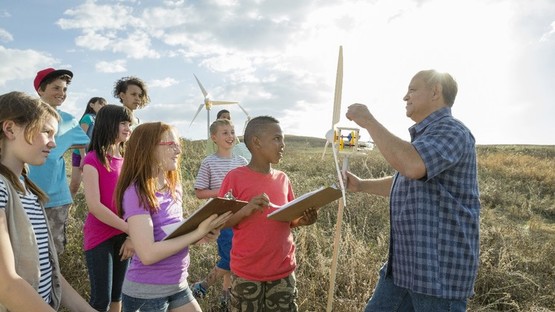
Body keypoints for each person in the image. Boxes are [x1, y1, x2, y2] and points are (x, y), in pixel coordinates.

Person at [344, 69, 480, 312]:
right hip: (405, 267)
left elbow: (412, 166)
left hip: (437, 273)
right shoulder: (425, 139)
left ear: (436, 91)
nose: (405, 97)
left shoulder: (452, 131)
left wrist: (368, 121)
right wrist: (361, 185)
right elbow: (406, 178)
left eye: (412, 90)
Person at [115, 122, 232, 312]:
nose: (178, 150)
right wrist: (196, 233)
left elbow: (170, 236)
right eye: (171, 144)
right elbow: (147, 254)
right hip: (146, 293)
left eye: (179, 144)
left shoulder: (173, 186)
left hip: (178, 284)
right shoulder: (136, 192)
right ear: (148, 148)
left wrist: (201, 235)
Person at [0, 91, 95, 311]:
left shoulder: (29, 191)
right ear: (10, 129)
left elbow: (50, 273)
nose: (53, 144)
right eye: (47, 132)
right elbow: (7, 286)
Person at [218, 116, 318, 311]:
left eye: (283, 140)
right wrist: (246, 209)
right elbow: (221, 222)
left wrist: (302, 220)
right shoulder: (235, 178)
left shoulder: (283, 179)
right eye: (277, 139)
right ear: (256, 142)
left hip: (282, 272)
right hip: (247, 273)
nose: (283, 145)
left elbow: (288, 220)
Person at [28, 67, 90, 255]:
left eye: (64, 90)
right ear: (40, 90)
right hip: (23, 194)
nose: (61, 94)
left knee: (53, 253)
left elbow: (85, 145)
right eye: (56, 88)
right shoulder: (24, 116)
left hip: (55, 198)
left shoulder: (69, 120)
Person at [190, 119, 248, 307]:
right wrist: (223, 191)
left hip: (241, 215)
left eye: (232, 132)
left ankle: (226, 295)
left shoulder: (242, 162)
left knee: (234, 253)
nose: (230, 136)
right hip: (221, 218)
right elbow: (199, 192)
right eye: (225, 133)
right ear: (214, 138)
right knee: (230, 256)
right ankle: (203, 285)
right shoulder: (209, 162)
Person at [82, 105, 135, 312]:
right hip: (100, 237)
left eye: (129, 123)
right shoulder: (92, 159)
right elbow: (95, 206)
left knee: (118, 296)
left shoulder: (128, 161)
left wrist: (131, 236)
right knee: (100, 300)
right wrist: (129, 228)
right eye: (123, 123)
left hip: (124, 237)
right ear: (108, 124)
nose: (127, 128)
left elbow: (134, 201)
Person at [69, 97, 107, 198]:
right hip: (80, 154)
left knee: (94, 185)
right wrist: (83, 157)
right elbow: (81, 138)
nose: (103, 107)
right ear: (92, 105)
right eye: (101, 104)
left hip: (93, 155)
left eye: (105, 105)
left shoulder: (102, 120)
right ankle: (66, 207)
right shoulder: (87, 118)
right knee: (75, 184)